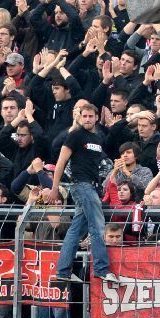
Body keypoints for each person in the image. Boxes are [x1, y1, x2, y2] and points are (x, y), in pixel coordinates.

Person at [46, 103, 117, 284]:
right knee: (97, 226)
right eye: (84, 116)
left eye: (90, 116)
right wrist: (54, 188)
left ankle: (63, 270)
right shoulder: (75, 135)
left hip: (91, 187)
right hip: (82, 185)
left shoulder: (97, 138)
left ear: (96, 117)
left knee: (76, 230)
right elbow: (61, 162)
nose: (87, 119)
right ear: (79, 116)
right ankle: (101, 268)